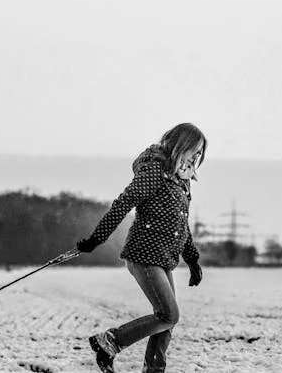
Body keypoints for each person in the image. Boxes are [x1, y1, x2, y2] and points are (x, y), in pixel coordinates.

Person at [76, 123, 206, 373]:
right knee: (169, 314)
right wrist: (96, 239)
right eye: (194, 150)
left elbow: (182, 224)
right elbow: (123, 204)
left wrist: (192, 259)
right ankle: (110, 342)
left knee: (166, 321)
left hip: (165, 257)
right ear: (181, 144)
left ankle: (154, 370)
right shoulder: (155, 171)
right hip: (144, 254)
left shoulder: (183, 180)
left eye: (200, 153)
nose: (196, 157)